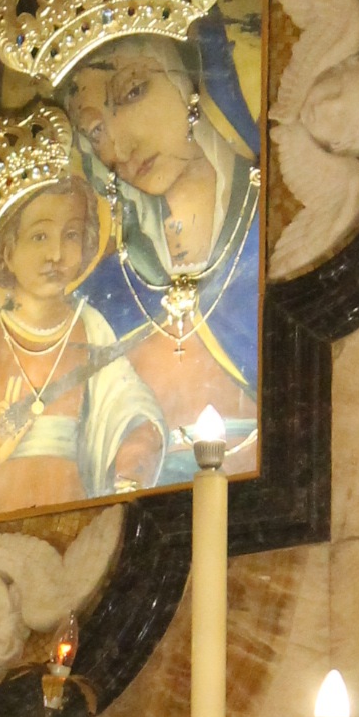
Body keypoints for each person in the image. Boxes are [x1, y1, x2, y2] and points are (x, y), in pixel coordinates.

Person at [0, 135, 166, 525]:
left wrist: (130, 470)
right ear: (7, 250)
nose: (56, 254)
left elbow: (132, 412)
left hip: (72, 518)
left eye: (71, 235)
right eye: (39, 236)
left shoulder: (91, 328)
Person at [63, 23, 261, 480]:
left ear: (191, 79)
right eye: (95, 130)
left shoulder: (278, 233)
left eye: (133, 91)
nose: (121, 146)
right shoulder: (106, 292)